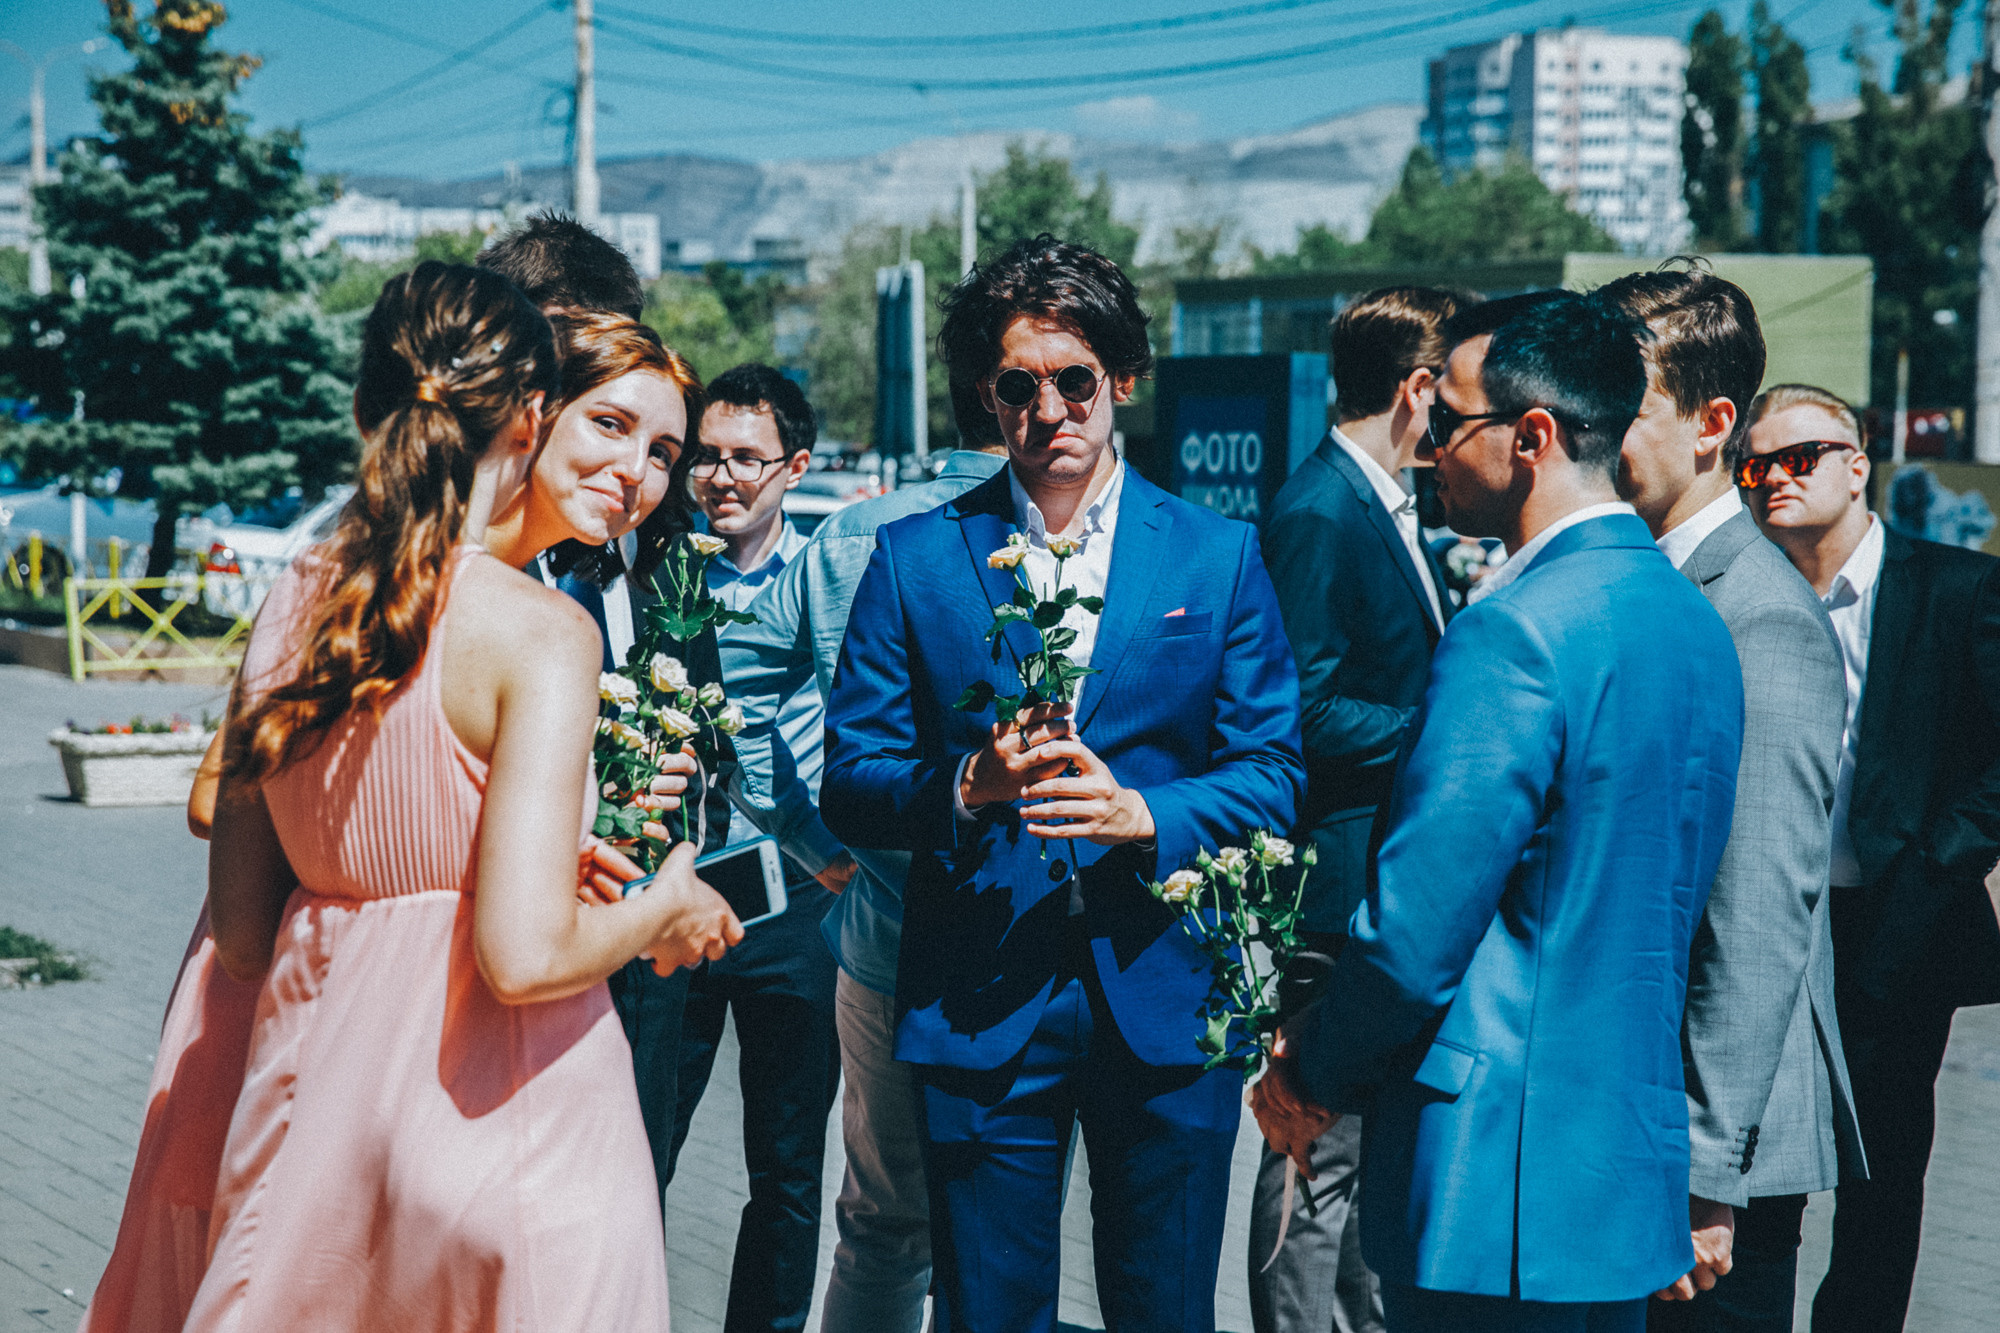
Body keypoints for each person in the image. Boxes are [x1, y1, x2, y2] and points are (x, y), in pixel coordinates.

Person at [104, 262, 740, 1329]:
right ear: (533, 418)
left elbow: (247, 929)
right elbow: (522, 955)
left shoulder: (303, 595)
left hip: (318, 1132)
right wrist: (662, 906)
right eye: (611, 426)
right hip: (521, 1124)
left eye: (663, 450)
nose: (638, 471)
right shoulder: (543, 632)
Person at [820, 234, 1305, 1333]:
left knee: (1164, 1307)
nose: (1049, 408)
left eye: (1074, 378)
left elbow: (1274, 773)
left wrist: (1145, 814)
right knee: (986, 1314)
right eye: (1017, 384)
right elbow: (850, 779)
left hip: (1166, 994)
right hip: (981, 995)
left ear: (1120, 379)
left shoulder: (1215, 555)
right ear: (985, 398)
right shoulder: (915, 558)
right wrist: (964, 784)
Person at [1258, 291, 1745, 1333]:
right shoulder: (1694, 623)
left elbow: (1412, 934)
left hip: (1491, 1175)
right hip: (1619, 1164)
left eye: (1449, 424)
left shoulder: (1509, 634)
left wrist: (1311, 1070)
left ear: (1529, 438)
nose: (1429, 447)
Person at [1597, 272, 1864, 1332]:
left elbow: (1757, 917)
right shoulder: (1655, 579)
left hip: (1719, 1151)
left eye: (1620, 404)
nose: (1585, 430)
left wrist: (1706, 1174)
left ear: (1711, 425)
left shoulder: (1758, 620)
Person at [721, 374, 1006, 1333]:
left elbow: (740, 693)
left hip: (885, 922)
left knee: (884, 1226)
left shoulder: (855, 531)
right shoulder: (1088, 535)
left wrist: (807, 836)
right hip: (1042, 942)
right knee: (1013, 1221)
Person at [478, 219, 733, 1211]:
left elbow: (712, 733)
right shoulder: (444, 565)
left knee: (627, 1214)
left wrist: (683, 782)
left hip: (638, 970)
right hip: (494, 971)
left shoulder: (664, 545)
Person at [1739, 385, 2000, 1333]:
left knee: (1884, 1176)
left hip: (1902, 922)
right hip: (1771, 923)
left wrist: (1933, 868)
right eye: (1756, 464)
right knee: (1763, 1164)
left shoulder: (1958, 588)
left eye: (1798, 456)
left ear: (1858, 465)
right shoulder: (1744, 593)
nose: (1773, 477)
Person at [1251, 286, 1461, 1333]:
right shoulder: (1322, 509)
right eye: (1457, 390)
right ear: (1416, 389)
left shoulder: (1375, 501)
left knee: (1350, 1160)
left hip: (1367, 877)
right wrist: (1446, 724)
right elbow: (1296, 708)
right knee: (1311, 1150)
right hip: (1331, 892)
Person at [660, 362, 838, 1333]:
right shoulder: (658, 578)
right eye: (707, 458)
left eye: (747, 459)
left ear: (793, 467)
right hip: (670, 897)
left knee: (787, 1168)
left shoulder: (829, 579)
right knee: (639, 1144)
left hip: (791, 903)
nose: (723, 477)